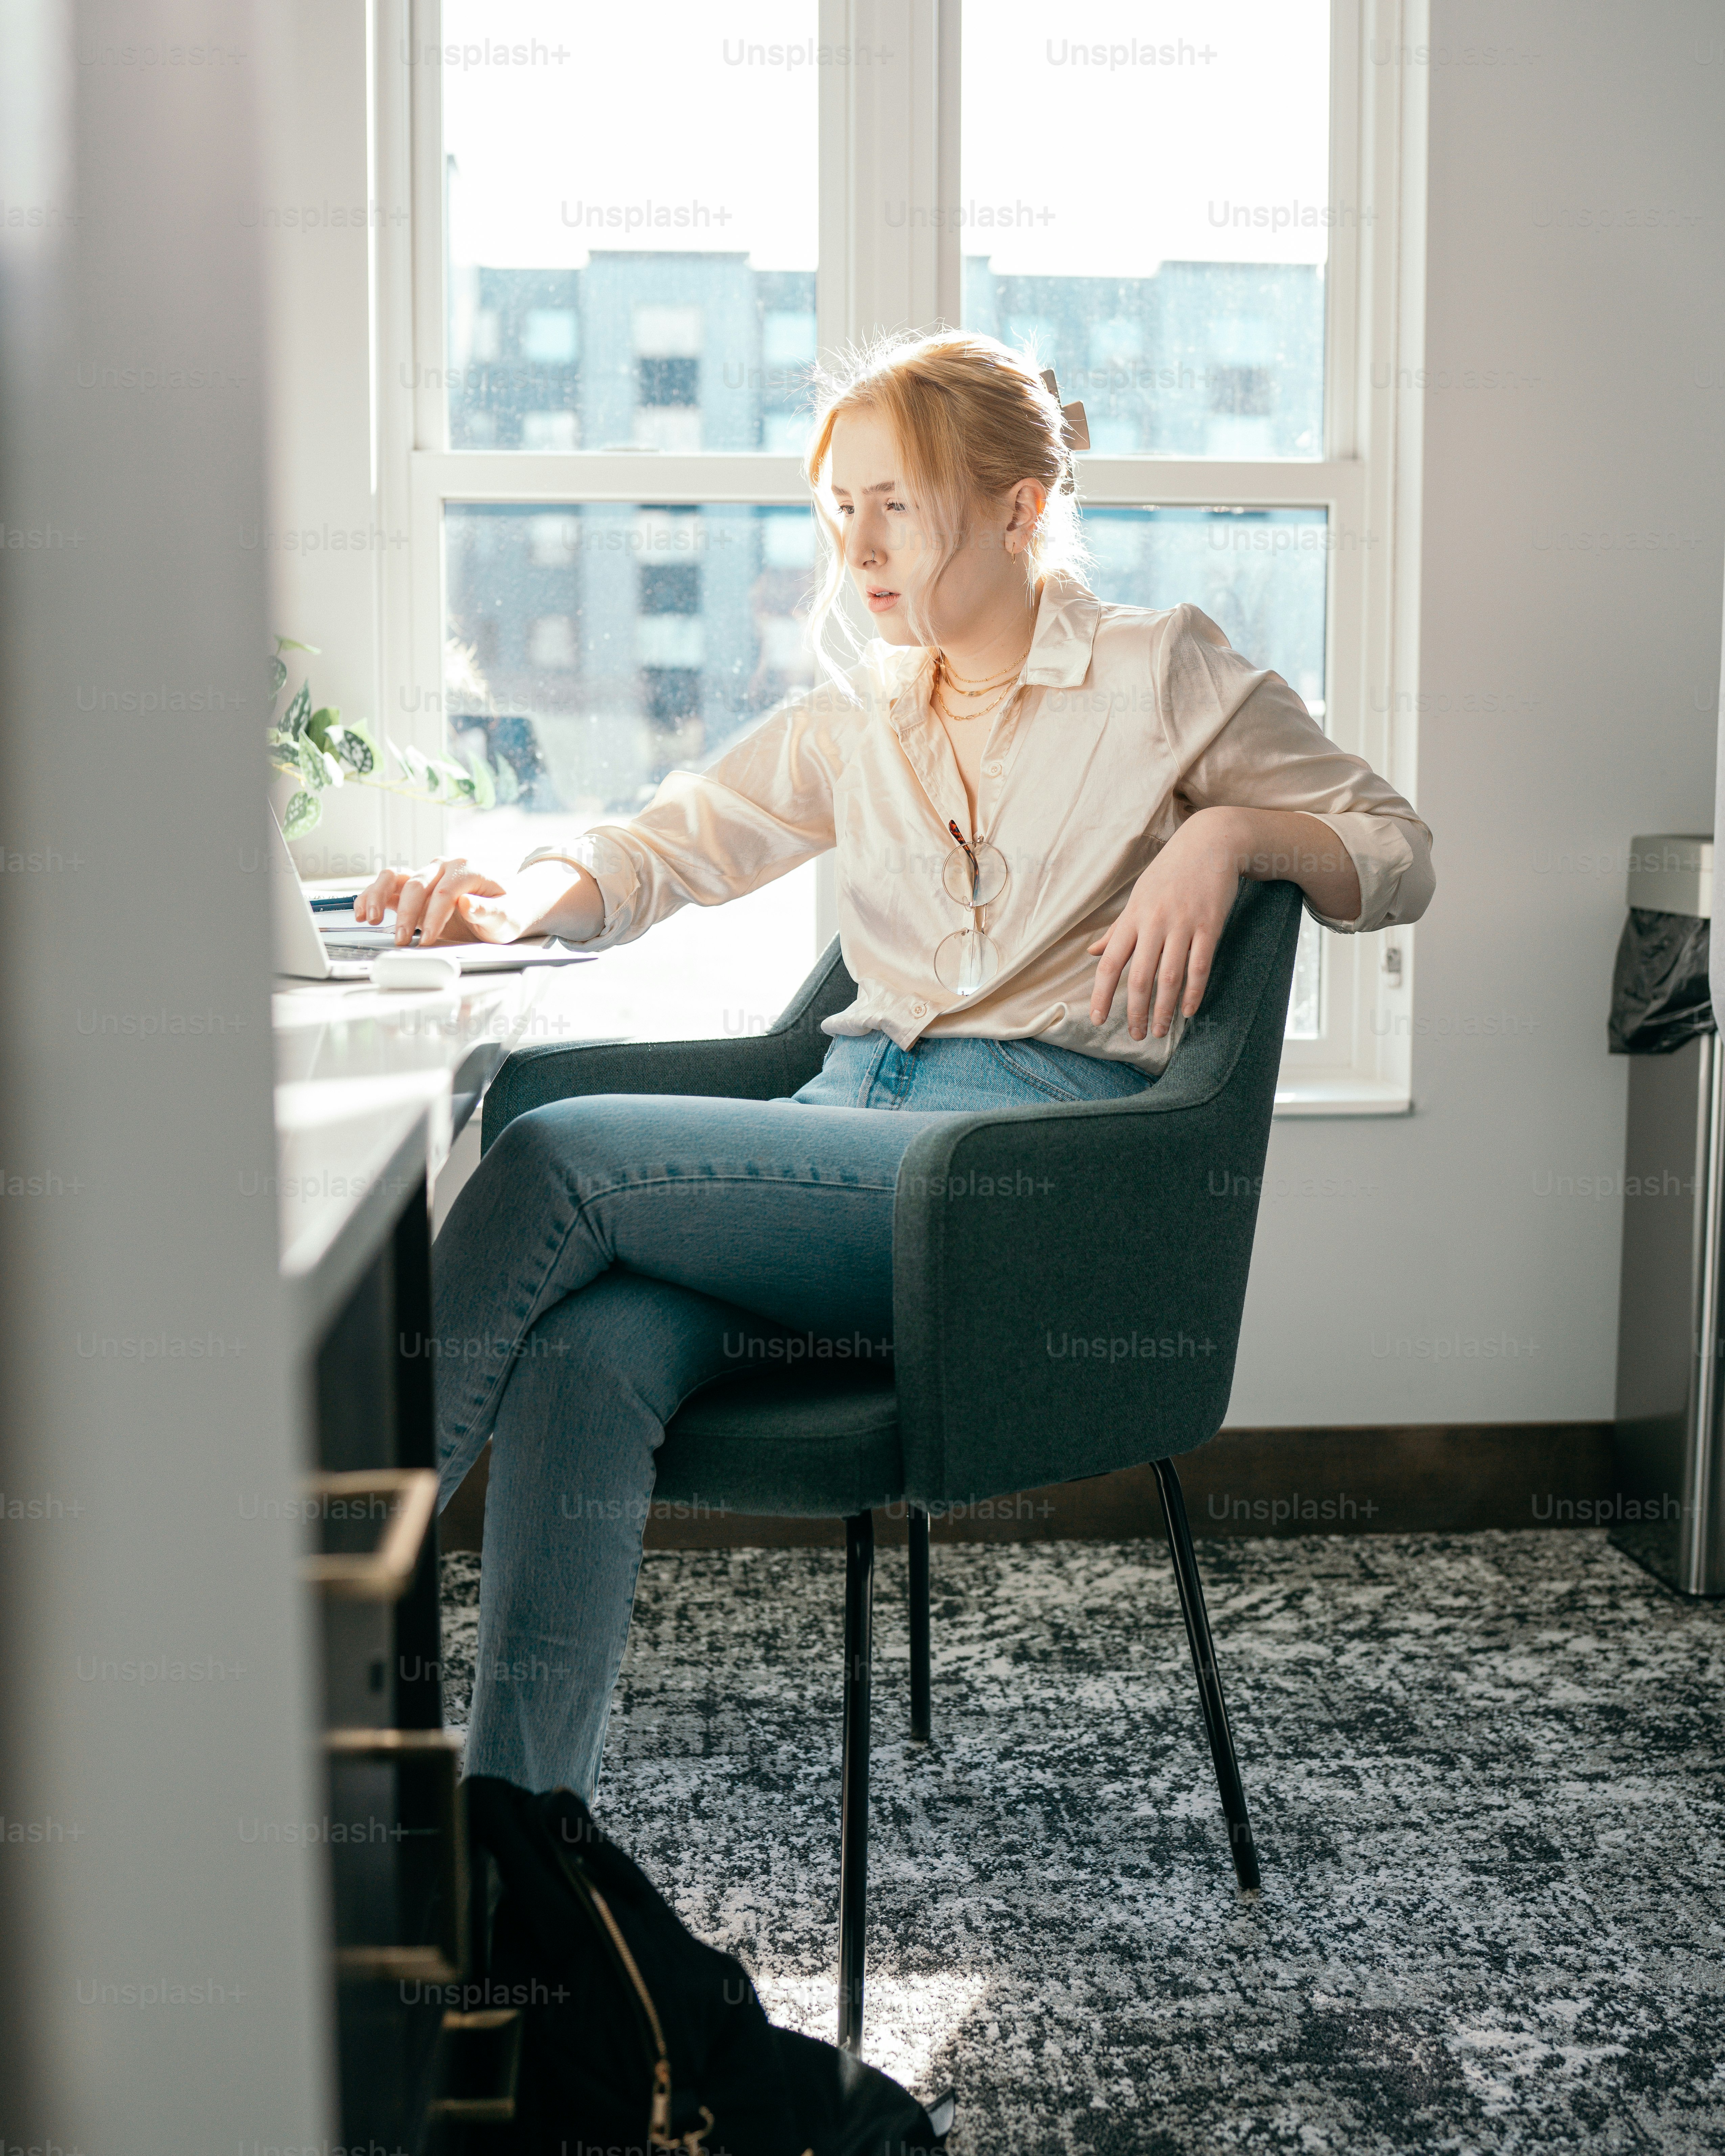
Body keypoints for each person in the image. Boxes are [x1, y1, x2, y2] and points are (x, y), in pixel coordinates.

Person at [355, 331, 1434, 1797]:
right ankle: (522, 1849)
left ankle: (307, 1580)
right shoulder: (865, 712)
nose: (855, 547)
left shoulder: (1159, 671)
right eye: (838, 506)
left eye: (895, 505)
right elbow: (665, 845)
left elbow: (1396, 848)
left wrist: (1230, 833)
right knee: (583, 1356)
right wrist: (515, 893)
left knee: (559, 1157)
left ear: (1016, 508)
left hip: (1017, 1187)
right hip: (841, 1145)